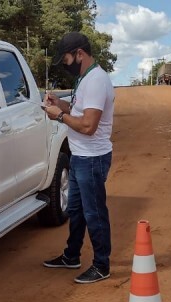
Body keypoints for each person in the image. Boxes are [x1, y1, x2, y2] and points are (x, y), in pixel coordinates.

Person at [42, 32, 115, 284]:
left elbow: (88, 126)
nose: (65, 63)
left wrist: (58, 116)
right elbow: (79, 111)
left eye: (66, 58)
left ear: (79, 54)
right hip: (81, 157)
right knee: (76, 209)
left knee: (94, 213)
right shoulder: (85, 78)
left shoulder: (96, 81)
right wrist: (60, 105)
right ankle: (71, 256)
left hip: (92, 158)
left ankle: (101, 264)